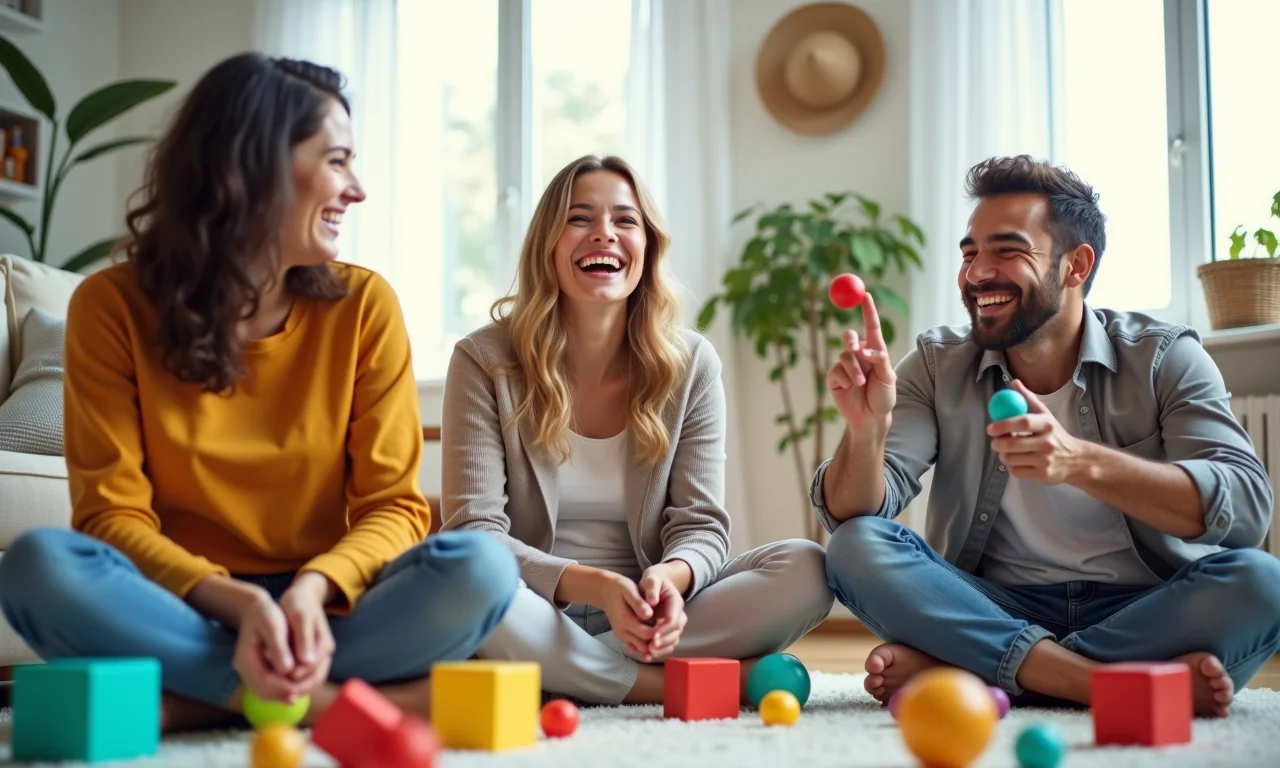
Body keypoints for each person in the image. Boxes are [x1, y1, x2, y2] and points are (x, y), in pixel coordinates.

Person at [0, 53, 517, 731]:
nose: (356, 190)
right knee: (38, 566)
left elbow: (392, 508)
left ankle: (197, 700)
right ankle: (322, 701)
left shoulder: (364, 306)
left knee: (481, 568)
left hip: (329, 611)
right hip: (184, 603)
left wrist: (310, 590)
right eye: (336, 161)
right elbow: (111, 517)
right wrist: (240, 606)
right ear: (254, 167)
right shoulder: (111, 307)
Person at [815, 155, 1280, 719]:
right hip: (993, 603)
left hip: (1143, 605)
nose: (977, 273)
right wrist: (865, 432)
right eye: (969, 253)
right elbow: (854, 512)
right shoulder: (937, 365)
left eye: (1006, 250)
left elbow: (1247, 507)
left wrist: (1080, 462)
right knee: (855, 546)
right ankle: (1099, 682)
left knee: (1264, 581)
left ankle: (983, 670)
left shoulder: (1165, 357)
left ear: (1075, 265)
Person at [440, 154, 834, 705]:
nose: (604, 233)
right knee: (466, 579)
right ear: (547, 244)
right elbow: (475, 535)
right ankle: (668, 684)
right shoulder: (484, 360)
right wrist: (595, 587)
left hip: (651, 616)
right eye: (579, 218)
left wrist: (669, 581)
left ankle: (568, 673)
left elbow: (701, 527)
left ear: (646, 247)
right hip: (532, 603)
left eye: (625, 220)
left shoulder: (692, 363)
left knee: (809, 567)